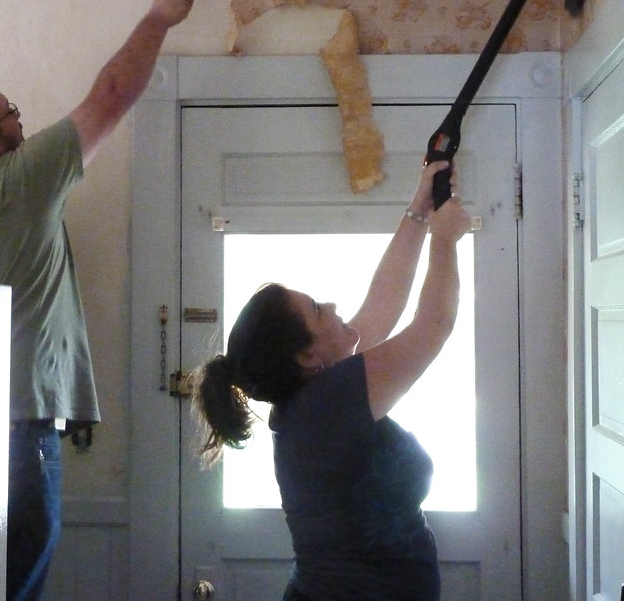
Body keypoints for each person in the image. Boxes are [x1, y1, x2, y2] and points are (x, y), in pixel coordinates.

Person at [0, 0, 193, 601]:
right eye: (11, 112)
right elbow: (112, 94)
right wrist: (159, 18)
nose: (23, 118)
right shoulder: (19, 180)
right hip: (12, 436)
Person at [195, 159, 471, 601]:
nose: (333, 304)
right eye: (318, 309)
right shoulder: (325, 407)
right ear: (308, 356)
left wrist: (420, 206)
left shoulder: (313, 398)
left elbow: (383, 302)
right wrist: (445, 239)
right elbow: (434, 323)